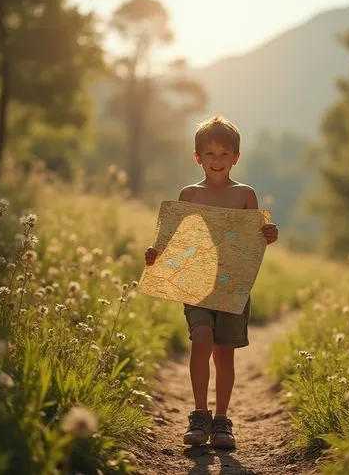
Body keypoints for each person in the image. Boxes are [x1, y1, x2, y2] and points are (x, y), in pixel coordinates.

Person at [144, 115, 278, 449]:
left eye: (223, 154)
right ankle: (199, 415)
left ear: (235, 158)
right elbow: (173, 236)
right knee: (201, 338)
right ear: (197, 157)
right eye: (209, 154)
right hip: (196, 283)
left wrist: (269, 234)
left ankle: (222, 422)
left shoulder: (246, 195)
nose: (216, 161)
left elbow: (253, 241)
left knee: (224, 353)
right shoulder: (189, 194)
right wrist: (156, 251)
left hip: (233, 288)